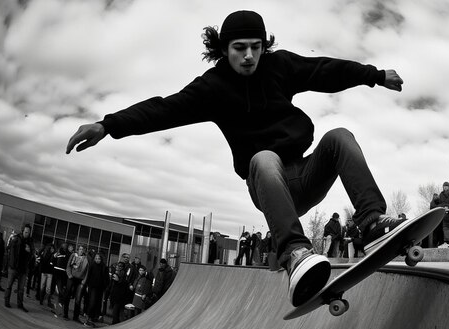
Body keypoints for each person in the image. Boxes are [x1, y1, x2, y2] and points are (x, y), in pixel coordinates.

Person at [66, 10, 405, 307]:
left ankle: (372, 223)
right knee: (263, 158)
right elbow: (164, 109)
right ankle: (296, 253)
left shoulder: (280, 66)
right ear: (224, 49)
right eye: (239, 48)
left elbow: (326, 70)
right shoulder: (213, 87)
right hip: (266, 183)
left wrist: (374, 76)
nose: (248, 56)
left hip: (304, 174)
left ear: (263, 46)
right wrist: (107, 125)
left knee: (340, 138)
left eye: (255, 47)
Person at [4, 224, 34, 312]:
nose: (27, 234)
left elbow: (32, 254)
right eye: (26, 232)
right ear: (22, 231)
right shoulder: (16, 238)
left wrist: (29, 251)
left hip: (23, 268)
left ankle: (20, 304)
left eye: (28, 232)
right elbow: (8, 248)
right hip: (14, 267)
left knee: (21, 288)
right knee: (9, 285)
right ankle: (6, 301)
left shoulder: (30, 241)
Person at [63, 245, 89, 321]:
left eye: (82, 249)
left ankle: (75, 317)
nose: (81, 250)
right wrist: (69, 275)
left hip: (80, 280)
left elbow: (87, 271)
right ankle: (65, 314)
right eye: (80, 249)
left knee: (78, 298)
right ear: (78, 250)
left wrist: (84, 280)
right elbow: (68, 266)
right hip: (71, 278)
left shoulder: (86, 259)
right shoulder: (73, 255)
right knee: (67, 295)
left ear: (84, 250)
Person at [85, 252, 108, 326]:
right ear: (94, 259)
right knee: (92, 302)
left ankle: (92, 318)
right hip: (93, 287)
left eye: (99, 258)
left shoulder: (104, 267)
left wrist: (105, 287)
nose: (97, 260)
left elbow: (107, 278)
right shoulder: (92, 266)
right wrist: (87, 286)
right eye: (96, 258)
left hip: (100, 289)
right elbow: (88, 276)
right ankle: (88, 319)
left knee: (97, 304)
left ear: (101, 259)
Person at [437, 182, 449, 248]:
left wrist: (448, 206)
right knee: (445, 227)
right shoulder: (441, 194)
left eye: (446, 186)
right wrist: (443, 207)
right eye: (444, 186)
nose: (445, 187)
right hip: (444, 212)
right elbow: (440, 203)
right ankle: (447, 241)